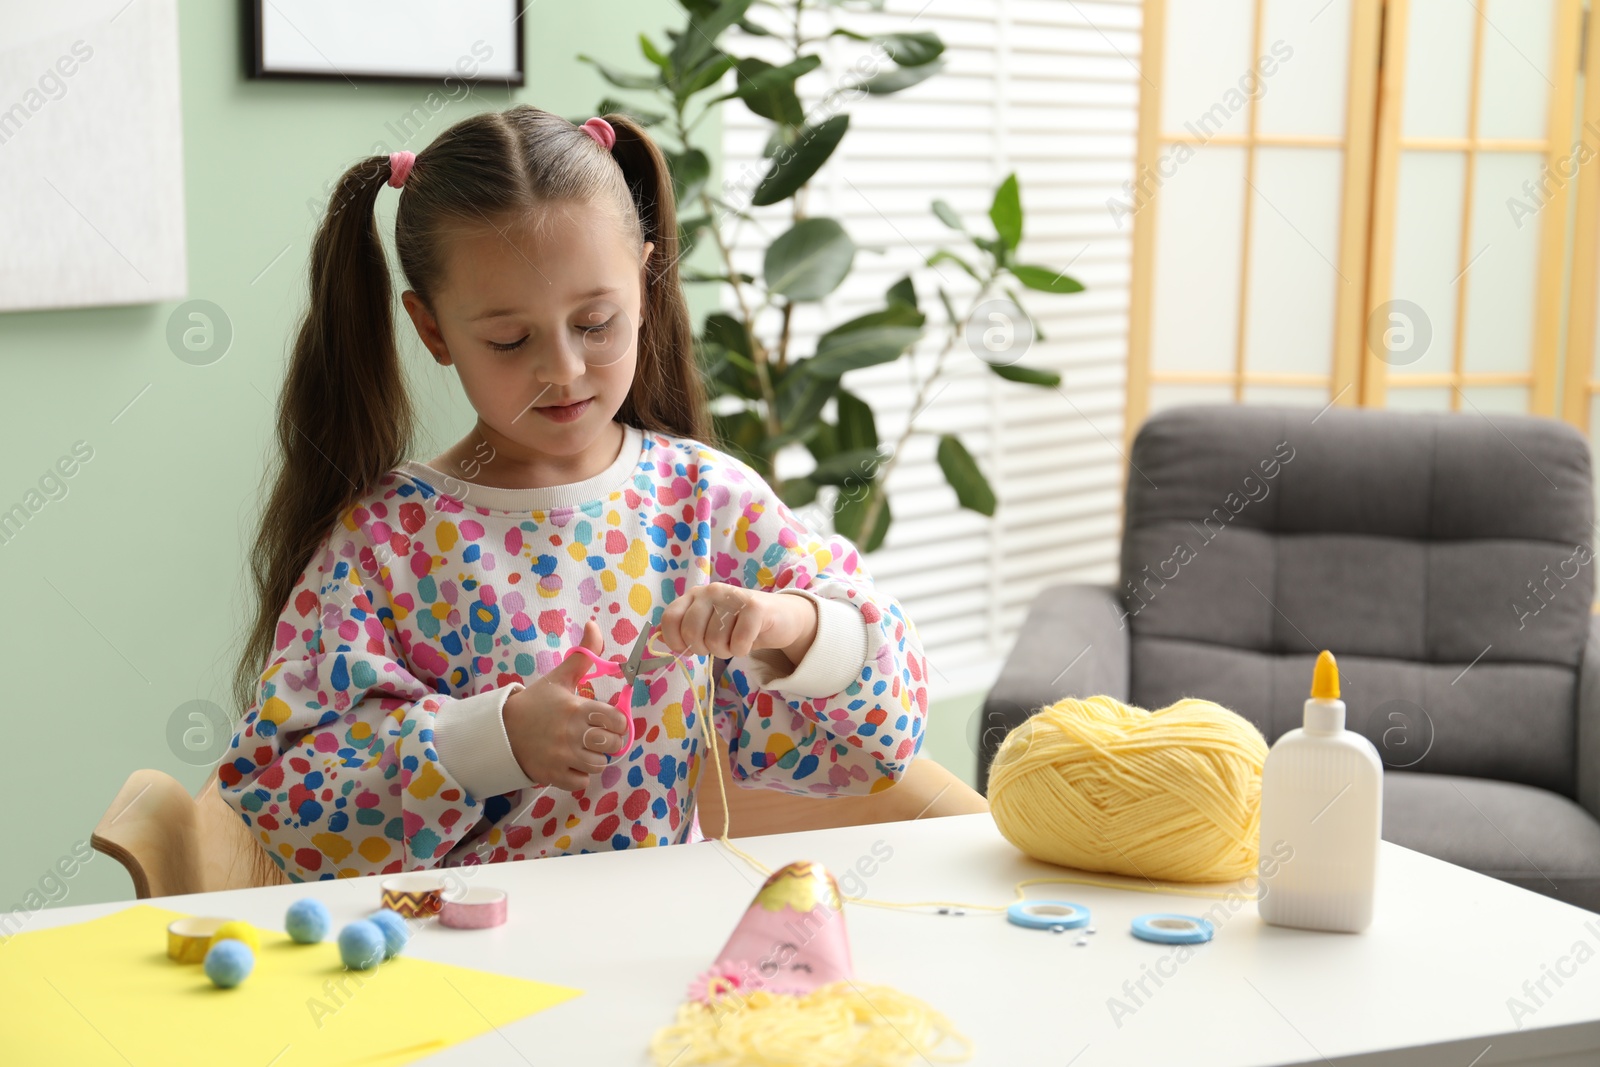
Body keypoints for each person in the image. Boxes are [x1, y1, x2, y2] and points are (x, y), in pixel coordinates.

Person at [218, 105, 930, 881]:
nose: (563, 369)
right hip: (451, 969)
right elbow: (289, 806)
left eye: (596, 323)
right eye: (510, 340)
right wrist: (498, 739)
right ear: (433, 331)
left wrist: (789, 624)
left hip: (654, 951)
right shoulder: (387, 541)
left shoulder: (705, 500)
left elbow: (885, 733)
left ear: (647, 286)